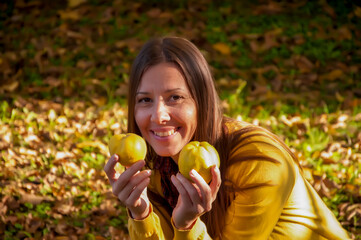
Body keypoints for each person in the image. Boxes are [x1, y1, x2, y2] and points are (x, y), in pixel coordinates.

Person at [103, 37, 350, 239]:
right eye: (145, 100)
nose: (158, 116)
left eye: (175, 97)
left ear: (202, 101)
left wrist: (188, 225)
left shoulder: (260, 161)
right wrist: (141, 212)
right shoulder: (157, 169)